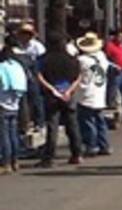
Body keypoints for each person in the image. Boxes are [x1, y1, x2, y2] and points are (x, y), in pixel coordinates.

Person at [36, 33, 83, 167]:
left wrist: (51, 89)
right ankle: (77, 154)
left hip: (52, 95)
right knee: (72, 124)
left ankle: (49, 157)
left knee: (52, 125)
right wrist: (69, 91)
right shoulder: (72, 59)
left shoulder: (44, 59)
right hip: (68, 93)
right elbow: (78, 76)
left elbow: (39, 76)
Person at [75, 32, 112, 156]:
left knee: (87, 121)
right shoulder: (101, 57)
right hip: (99, 91)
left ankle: (91, 146)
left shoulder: (81, 60)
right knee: (100, 120)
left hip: (86, 93)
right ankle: (104, 145)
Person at [0, 40, 28, 174]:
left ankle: (6, 163)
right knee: (13, 134)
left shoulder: (2, 67)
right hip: (15, 104)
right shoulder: (17, 66)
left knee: (4, 135)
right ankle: (15, 161)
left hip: (2, 104)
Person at [15, 22, 46, 131]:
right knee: (23, 100)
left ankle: (40, 122)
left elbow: (42, 62)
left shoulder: (37, 46)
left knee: (36, 97)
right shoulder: (17, 45)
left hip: (34, 74)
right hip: (20, 74)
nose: (25, 36)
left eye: (27, 33)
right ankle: (25, 122)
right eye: (23, 33)